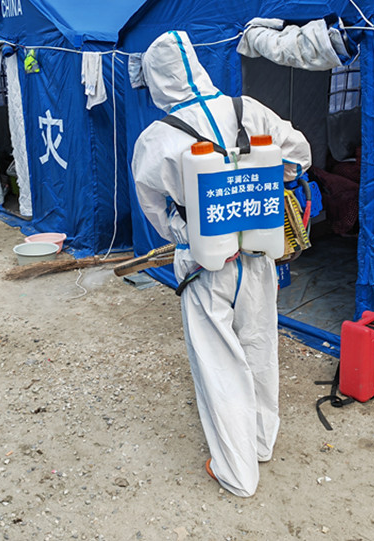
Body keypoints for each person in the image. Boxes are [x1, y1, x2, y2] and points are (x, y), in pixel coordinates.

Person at [131, 30, 311, 497]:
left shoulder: (157, 138)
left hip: (203, 262)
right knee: (258, 345)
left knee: (219, 361)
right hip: (258, 250)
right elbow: (300, 156)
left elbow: (154, 209)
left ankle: (235, 471)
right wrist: (265, 182)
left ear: (158, 81)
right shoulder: (248, 110)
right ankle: (260, 443)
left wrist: (184, 232)